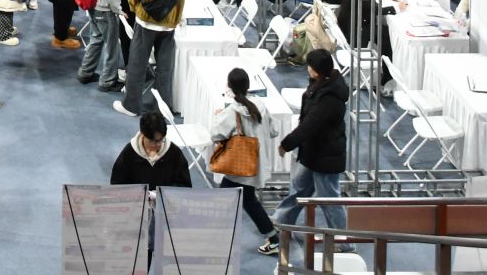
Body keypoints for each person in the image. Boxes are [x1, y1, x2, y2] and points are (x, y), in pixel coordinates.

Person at [269, 49, 348, 256]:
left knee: (329, 200)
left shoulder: (329, 98)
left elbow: (310, 124)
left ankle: (344, 240)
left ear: (315, 70)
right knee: (299, 188)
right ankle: (281, 220)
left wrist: (287, 144)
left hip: (326, 156)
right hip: (314, 152)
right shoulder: (322, 84)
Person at [207, 67, 277, 246]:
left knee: (229, 200)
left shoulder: (232, 111)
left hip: (240, 167)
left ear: (229, 86)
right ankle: (272, 237)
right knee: (248, 200)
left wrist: (218, 117)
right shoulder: (260, 105)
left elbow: (215, 134)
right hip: (256, 164)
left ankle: (215, 239)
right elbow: (274, 131)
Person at [110, 109, 192, 188]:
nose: (158, 144)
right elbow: (117, 185)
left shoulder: (174, 153)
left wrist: (162, 193)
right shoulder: (129, 153)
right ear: (142, 134)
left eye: (161, 140)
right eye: (153, 141)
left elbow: (184, 185)